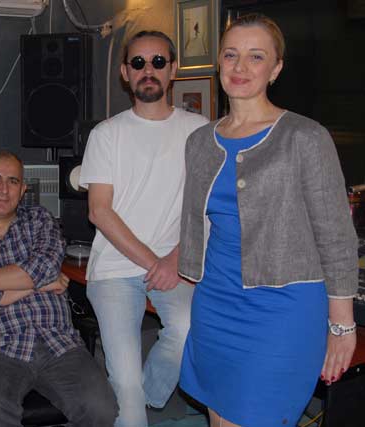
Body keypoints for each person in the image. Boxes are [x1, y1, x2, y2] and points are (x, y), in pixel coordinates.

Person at [178, 14, 358, 427]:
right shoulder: (199, 142)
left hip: (282, 309)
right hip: (215, 303)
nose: (240, 67)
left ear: (276, 69)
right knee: (219, 418)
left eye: (256, 57)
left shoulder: (305, 137)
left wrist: (341, 326)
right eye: (231, 55)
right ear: (218, 63)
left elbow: (336, 236)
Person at [78, 30, 208, 427]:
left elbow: (204, 209)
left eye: (157, 62)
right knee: (126, 387)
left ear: (173, 70)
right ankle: (133, 400)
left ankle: (147, 394)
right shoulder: (106, 134)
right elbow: (99, 212)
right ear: (125, 72)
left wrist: (175, 259)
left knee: (189, 329)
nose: (147, 70)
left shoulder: (200, 130)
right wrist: (157, 263)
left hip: (175, 264)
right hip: (115, 270)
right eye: (138, 63)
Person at [0, 151, 118, 427]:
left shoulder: (39, 219)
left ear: (23, 189)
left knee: (101, 408)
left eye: (13, 181)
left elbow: (45, 265)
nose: (4, 189)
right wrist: (42, 283)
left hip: (59, 341)